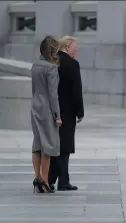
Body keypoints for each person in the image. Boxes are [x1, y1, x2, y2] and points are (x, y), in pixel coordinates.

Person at [49, 36, 84, 191]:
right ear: (67, 46)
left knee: (57, 145)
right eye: (75, 47)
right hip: (68, 111)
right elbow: (76, 91)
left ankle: (54, 179)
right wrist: (80, 111)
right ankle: (59, 181)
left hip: (52, 109)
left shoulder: (53, 62)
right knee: (65, 147)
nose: (77, 49)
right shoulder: (72, 64)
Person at [31, 35, 62, 193]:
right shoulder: (51, 68)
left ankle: (36, 177)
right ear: (52, 51)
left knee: (37, 144)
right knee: (48, 146)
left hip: (35, 106)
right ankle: (44, 179)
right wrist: (57, 116)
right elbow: (53, 95)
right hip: (46, 109)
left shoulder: (35, 65)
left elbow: (34, 89)